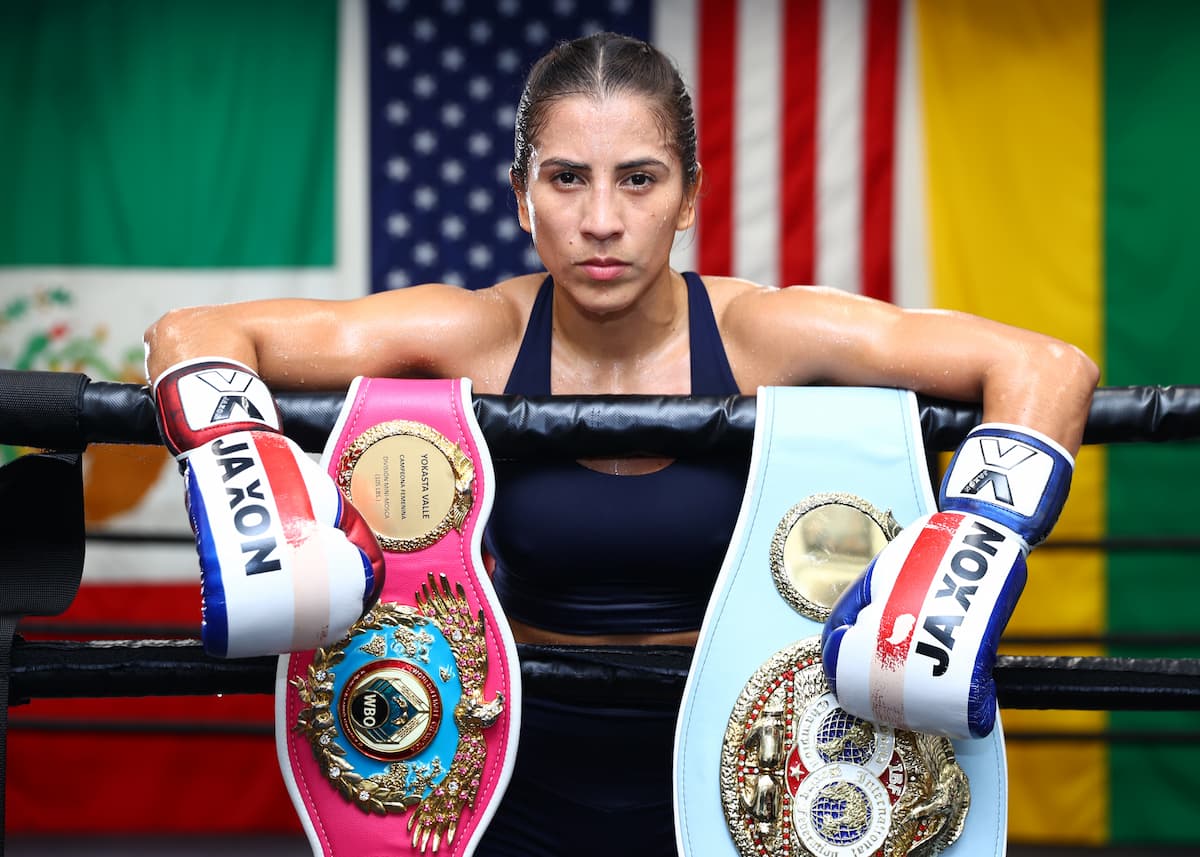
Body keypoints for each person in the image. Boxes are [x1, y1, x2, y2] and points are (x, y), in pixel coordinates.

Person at [143, 31, 1099, 857]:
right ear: (523, 196)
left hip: (744, 782)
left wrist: (962, 566)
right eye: (567, 178)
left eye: (638, 179)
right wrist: (250, 494)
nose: (602, 220)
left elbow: (1046, 366)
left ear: (687, 196)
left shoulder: (765, 333)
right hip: (505, 773)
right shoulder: (477, 333)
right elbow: (192, 334)